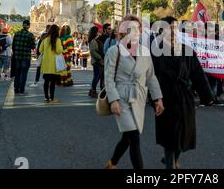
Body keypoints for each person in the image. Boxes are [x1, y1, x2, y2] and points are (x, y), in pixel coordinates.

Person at [152, 16, 215, 170]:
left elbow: (198, 74)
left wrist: (207, 96)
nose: (173, 31)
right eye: (169, 28)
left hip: (184, 98)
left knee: (183, 133)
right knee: (169, 135)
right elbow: (149, 77)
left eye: (175, 28)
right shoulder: (155, 52)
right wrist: (153, 98)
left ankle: (173, 158)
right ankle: (170, 165)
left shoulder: (187, 50)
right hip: (164, 97)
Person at [105, 15, 164, 170]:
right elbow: (108, 79)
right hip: (121, 97)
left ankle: (112, 163)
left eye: (137, 28)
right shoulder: (114, 51)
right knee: (134, 136)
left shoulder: (144, 51)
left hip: (138, 97)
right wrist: (113, 100)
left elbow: (151, 77)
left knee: (128, 136)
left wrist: (158, 98)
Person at [39, 24, 63, 104]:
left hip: (46, 64)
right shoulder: (57, 40)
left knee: (46, 82)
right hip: (54, 65)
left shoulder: (45, 39)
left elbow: (40, 50)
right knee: (52, 82)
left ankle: (46, 97)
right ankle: (52, 98)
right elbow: (59, 51)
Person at [12, 20, 36, 95]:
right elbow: (33, 46)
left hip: (17, 57)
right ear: (28, 26)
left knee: (17, 73)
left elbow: (13, 46)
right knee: (24, 74)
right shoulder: (30, 35)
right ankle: (22, 90)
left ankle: (16, 89)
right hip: (25, 57)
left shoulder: (17, 34)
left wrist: (16, 52)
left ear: (22, 25)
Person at [89, 26, 105, 99]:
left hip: (99, 61)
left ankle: (95, 90)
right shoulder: (93, 41)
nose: (99, 32)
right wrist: (100, 57)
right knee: (96, 77)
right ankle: (93, 90)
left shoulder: (96, 40)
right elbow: (93, 51)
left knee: (98, 77)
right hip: (97, 61)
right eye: (98, 31)